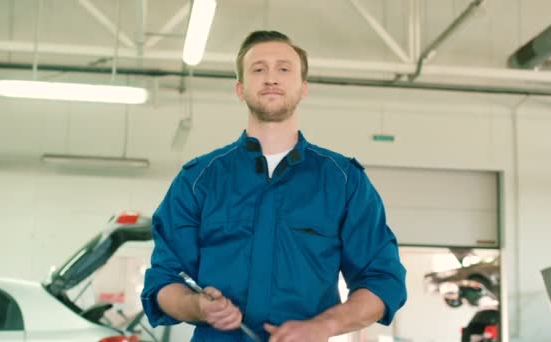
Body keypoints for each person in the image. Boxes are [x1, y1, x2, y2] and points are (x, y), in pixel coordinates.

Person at [141, 30, 407, 342]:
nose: (271, 78)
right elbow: (164, 280)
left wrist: (325, 325)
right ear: (240, 89)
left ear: (303, 88)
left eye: (284, 69)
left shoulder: (344, 180)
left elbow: (382, 279)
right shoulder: (198, 180)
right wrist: (196, 306)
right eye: (258, 69)